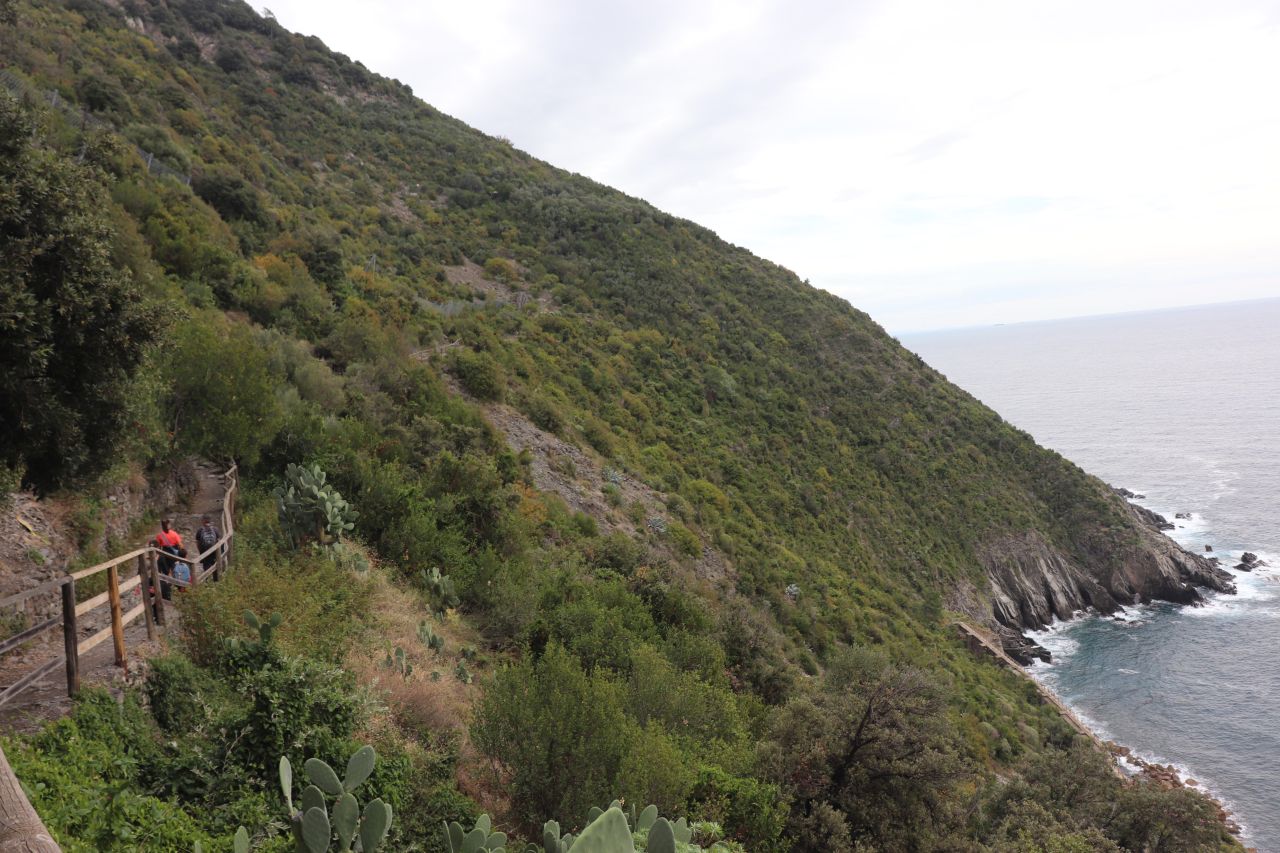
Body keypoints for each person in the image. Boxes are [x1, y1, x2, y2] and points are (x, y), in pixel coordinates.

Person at [154, 518, 182, 601]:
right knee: (175, 571)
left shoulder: (159, 536)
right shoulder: (174, 534)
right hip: (174, 556)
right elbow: (180, 545)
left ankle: (167, 590)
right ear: (169, 525)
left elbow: (157, 547)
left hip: (164, 556)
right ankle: (179, 587)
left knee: (166, 573)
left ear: (162, 526)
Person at [195, 514, 221, 578]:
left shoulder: (200, 530)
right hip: (214, 551)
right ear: (210, 520)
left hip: (204, 550)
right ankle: (216, 579)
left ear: (203, 521)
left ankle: (207, 581)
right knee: (214, 564)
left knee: (206, 565)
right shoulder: (215, 529)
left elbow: (197, 543)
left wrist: (200, 551)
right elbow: (218, 540)